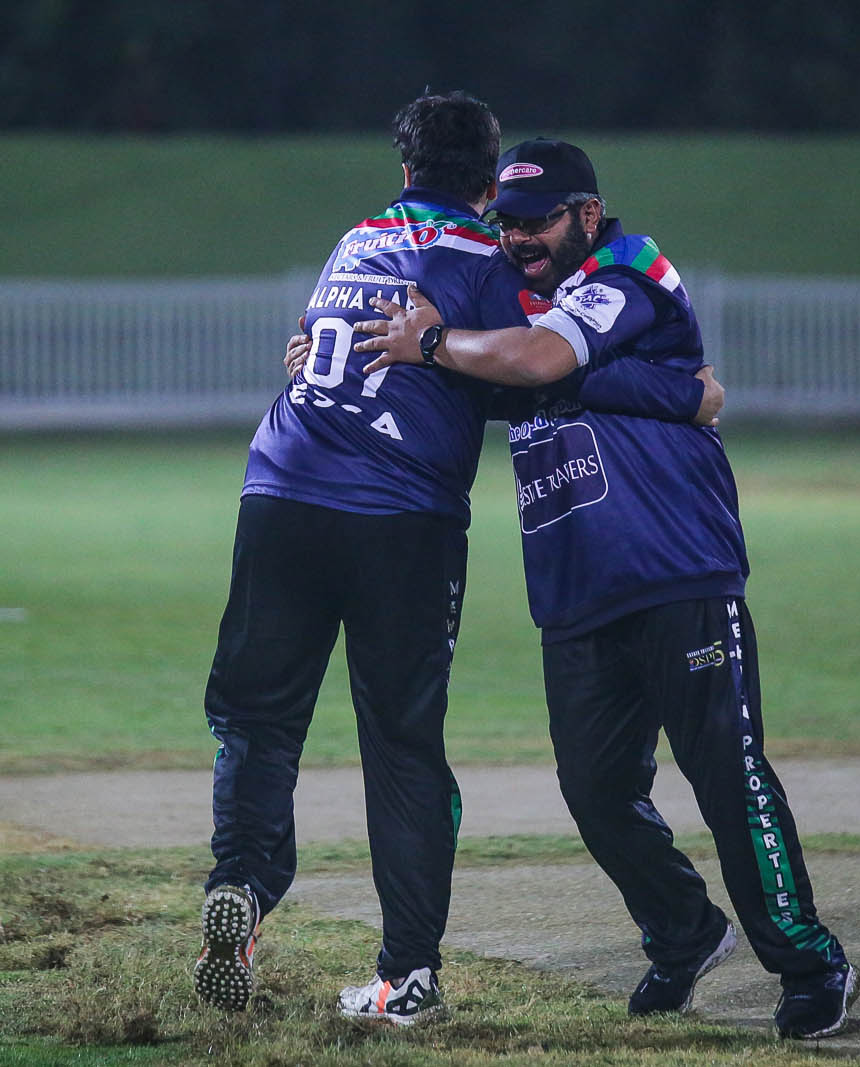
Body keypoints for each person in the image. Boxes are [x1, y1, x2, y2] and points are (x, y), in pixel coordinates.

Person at [195, 95, 712, 1026]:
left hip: (278, 492)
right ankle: (407, 975)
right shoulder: (487, 261)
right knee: (403, 748)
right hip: (399, 518)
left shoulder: (354, 242)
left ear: (403, 173)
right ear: (488, 185)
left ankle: (240, 881)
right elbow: (548, 363)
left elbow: (320, 352)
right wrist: (686, 393)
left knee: (255, 721)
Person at [354, 138, 860, 1039]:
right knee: (594, 791)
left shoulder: (629, 266)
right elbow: (492, 372)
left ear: (586, 214)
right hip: (575, 593)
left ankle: (812, 961)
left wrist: (436, 343)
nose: (519, 237)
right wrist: (674, 394)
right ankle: (684, 930)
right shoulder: (512, 316)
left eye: (539, 220)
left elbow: (541, 362)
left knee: (727, 774)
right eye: (507, 223)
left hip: (678, 571)